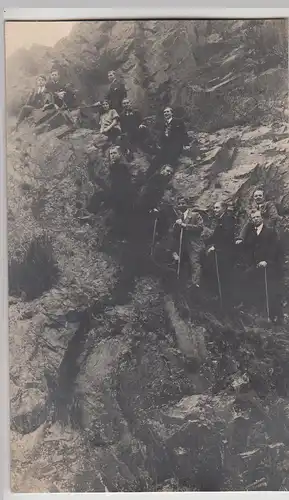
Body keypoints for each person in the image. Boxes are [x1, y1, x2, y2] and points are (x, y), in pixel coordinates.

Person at [236, 210, 283, 323]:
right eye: (253, 218)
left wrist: (267, 261)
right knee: (246, 279)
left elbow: (275, 249)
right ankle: (252, 309)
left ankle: (276, 317)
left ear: (262, 218)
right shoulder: (251, 232)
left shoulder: (270, 232)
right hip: (255, 265)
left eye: (257, 217)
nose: (255, 219)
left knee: (271, 290)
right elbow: (248, 248)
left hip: (269, 266)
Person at [203, 201, 236, 307]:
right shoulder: (221, 220)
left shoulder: (228, 219)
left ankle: (225, 302)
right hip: (221, 251)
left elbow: (227, 236)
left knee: (224, 277)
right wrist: (203, 243)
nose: (215, 210)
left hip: (226, 252)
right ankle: (217, 296)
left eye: (217, 208)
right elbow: (215, 236)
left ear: (224, 209)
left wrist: (215, 247)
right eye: (214, 208)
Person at [172, 197, 206, 287]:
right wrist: (176, 225)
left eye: (183, 203)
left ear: (187, 204)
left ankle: (196, 285)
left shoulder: (195, 215)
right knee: (181, 264)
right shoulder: (179, 217)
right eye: (179, 204)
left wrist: (185, 225)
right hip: (182, 246)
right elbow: (174, 233)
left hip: (194, 244)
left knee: (195, 264)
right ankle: (181, 285)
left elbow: (200, 227)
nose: (181, 205)